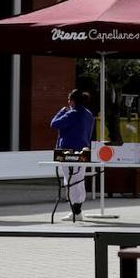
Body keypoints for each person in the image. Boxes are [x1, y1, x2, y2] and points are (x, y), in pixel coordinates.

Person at [50, 89, 94, 221]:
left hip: (67, 152)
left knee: (70, 180)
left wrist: (62, 111)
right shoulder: (89, 114)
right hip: (83, 150)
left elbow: (54, 124)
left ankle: (76, 210)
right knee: (79, 180)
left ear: (72, 101)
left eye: (69, 100)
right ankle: (77, 208)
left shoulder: (72, 114)